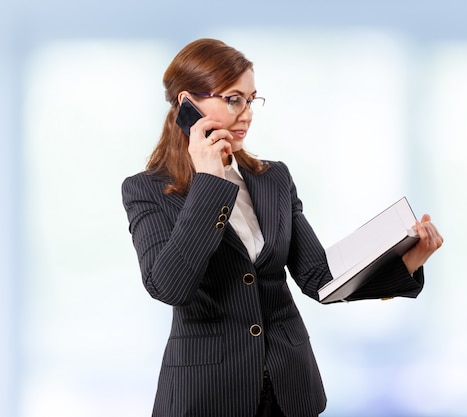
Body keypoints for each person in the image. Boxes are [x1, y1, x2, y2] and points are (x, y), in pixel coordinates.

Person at [121, 38, 443, 417]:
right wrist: (209, 181)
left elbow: (319, 277)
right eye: (232, 98)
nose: (246, 113)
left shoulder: (272, 178)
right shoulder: (146, 190)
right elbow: (170, 286)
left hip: (289, 390)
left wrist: (405, 262)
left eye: (251, 99)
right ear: (187, 104)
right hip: (207, 396)